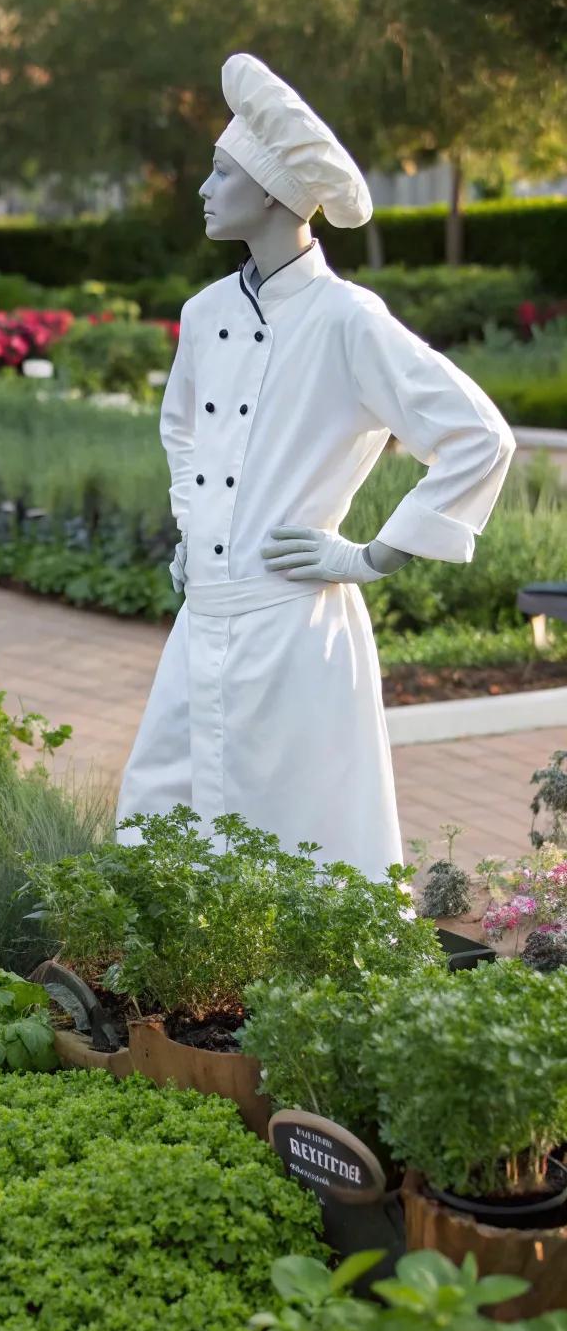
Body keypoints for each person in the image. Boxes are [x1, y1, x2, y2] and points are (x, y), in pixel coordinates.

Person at [115, 53, 515, 879]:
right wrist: (196, 531)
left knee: (305, 847)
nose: (203, 187)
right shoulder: (205, 312)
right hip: (204, 620)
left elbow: (480, 434)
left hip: (295, 626)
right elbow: (181, 434)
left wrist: (372, 553)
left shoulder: (347, 320)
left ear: (271, 193)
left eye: (221, 171)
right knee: (164, 826)